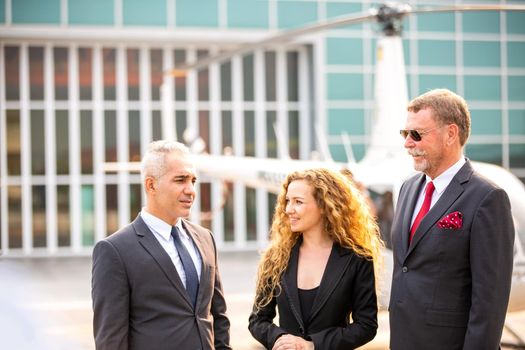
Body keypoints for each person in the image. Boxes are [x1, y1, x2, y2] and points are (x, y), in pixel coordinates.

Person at [389, 89, 514, 350]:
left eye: (416, 134)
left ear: (450, 134)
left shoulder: (488, 197)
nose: (407, 143)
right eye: (405, 133)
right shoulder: (408, 188)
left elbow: (489, 301)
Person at [92, 140, 231, 350]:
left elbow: (218, 318)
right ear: (151, 185)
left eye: (193, 180)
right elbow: (111, 341)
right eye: (180, 180)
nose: (191, 190)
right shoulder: (114, 251)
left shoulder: (206, 239)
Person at [248, 168, 382, 350]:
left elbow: (366, 326)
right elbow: (258, 320)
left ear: (324, 205)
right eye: (287, 201)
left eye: (298, 202)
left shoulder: (358, 258)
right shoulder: (275, 256)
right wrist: (281, 339)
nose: (288, 209)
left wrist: (313, 345)